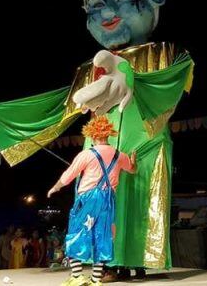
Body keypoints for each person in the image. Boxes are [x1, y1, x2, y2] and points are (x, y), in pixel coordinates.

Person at [48, 116, 136, 286]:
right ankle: (96, 279)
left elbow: (68, 176)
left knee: (76, 233)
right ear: (107, 134)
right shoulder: (120, 155)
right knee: (103, 236)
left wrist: (55, 187)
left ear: (92, 135)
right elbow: (132, 169)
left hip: (88, 199)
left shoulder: (87, 154)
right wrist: (133, 162)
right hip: (108, 200)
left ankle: (77, 276)